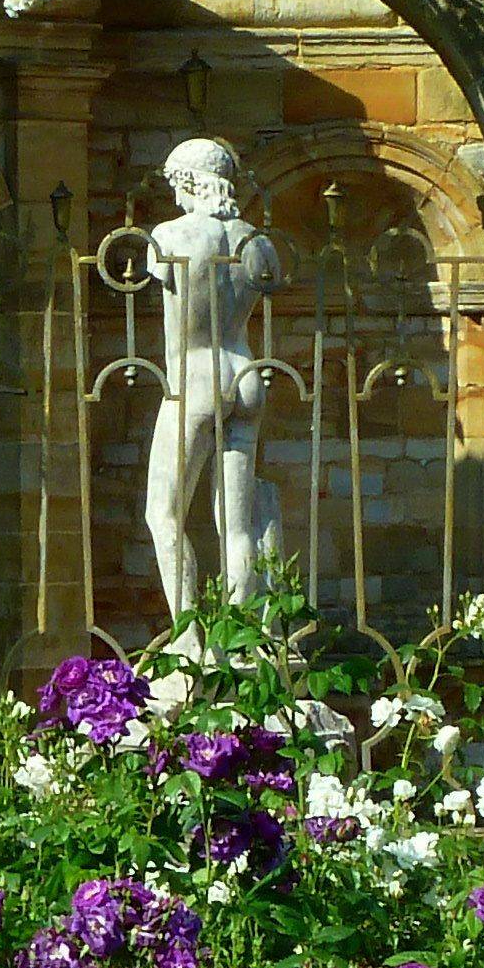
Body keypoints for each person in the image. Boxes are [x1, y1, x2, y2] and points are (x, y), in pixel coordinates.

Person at [141, 136, 285, 616]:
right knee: (237, 525)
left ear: (188, 182)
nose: (174, 196)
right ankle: (244, 635)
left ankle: (189, 638)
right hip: (245, 372)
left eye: (175, 185)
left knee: (163, 513)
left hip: (197, 377)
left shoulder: (171, 235)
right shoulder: (256, 242)